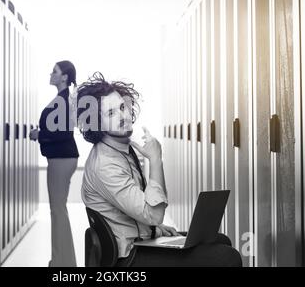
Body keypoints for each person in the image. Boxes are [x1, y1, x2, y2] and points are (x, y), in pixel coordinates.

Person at [77, 72, 242, 267]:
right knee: (226, 257)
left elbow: (137, 209)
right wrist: (155, 160)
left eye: (123, 107)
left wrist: (156, 230)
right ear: (96, 123)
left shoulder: (122, 149)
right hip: (128, 259)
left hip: (138, 241)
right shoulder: (105, 165)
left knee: (220, 240)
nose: (123, 116)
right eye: (111, 113)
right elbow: (153, 214)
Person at [30, 61, 79, 267]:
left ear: (65, 77)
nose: (51, 74)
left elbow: (64, 132)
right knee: (58, 210)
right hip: (62, 159)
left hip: (61, 159)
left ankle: (62, 264)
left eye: (55, 71)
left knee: (58, 211)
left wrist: (39, 134)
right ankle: (62, 260)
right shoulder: (63, 98)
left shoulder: (64, 99)